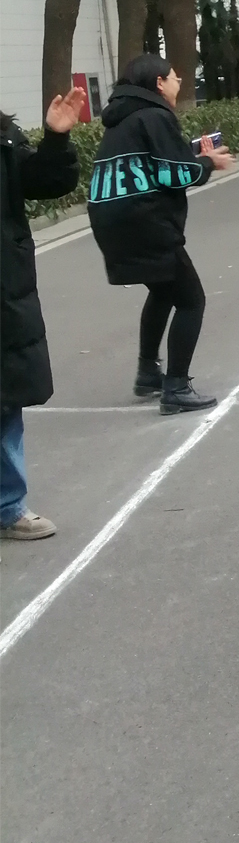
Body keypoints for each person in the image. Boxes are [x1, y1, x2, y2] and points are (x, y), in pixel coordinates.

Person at [87, 54, 234, 415]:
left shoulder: (121, 121)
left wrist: (192, 155)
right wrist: (208, 163)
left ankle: (148, 373)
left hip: (110, 221)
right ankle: (176, 386)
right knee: (191, 299)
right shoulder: (155, 116)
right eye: (174, 77)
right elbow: (173, 174)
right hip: (145, 221)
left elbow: (152, 164)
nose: (178, 82)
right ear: (158, 83)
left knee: (163, 289)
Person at [0, 87, 86, 542]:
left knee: (4, 399)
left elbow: (43, 182)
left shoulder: (3, 136)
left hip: (4, 290)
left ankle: (8, 507)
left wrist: (55, 139)